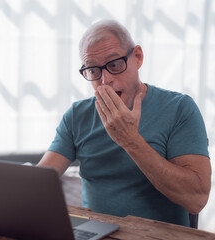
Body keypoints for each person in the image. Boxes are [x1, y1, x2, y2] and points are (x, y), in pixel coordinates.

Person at [38, 19, 211, 227]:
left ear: (137, 57)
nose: (105, 80)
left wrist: (130, 140)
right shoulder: (77, 116)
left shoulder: (179, 108)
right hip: (95, 233)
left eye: (114, 64)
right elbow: (39, 181)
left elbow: (196, 199)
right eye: (93, 70)